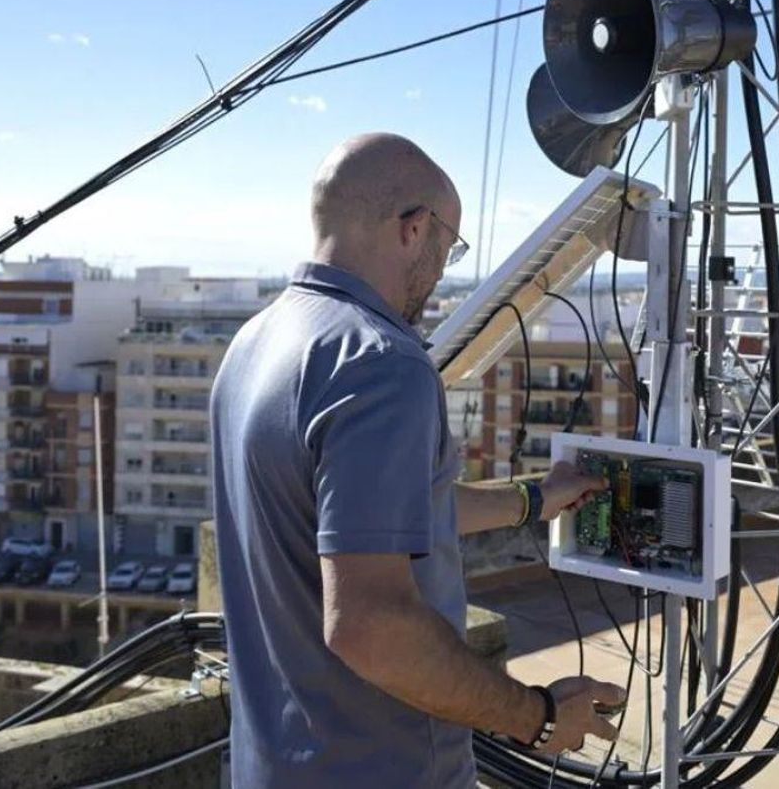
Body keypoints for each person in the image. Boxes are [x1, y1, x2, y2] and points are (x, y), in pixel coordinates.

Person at [211, 133, 627, 787]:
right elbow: (370, 624)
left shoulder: (255, 345)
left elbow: (369, 516)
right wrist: (537, 716)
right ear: (414, 229)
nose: (442, 270)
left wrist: (533, 500)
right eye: (449, 246)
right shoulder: (380, 362)